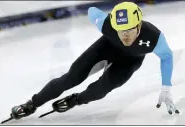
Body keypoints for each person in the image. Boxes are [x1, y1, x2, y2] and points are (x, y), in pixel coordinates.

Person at [10, 2, 179, 120]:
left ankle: (76, 99)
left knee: (100, 90)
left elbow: (167, 56)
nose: (124, 36)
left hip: (129, 61)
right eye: (120, 31)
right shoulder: (107, 25)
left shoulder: (154, 37)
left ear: (139, 26)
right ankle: (32, 103)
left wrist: (166, 87)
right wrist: (108, 18)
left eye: (129, 30)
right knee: (70, 78)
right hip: (105, 48)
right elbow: (92, 11)